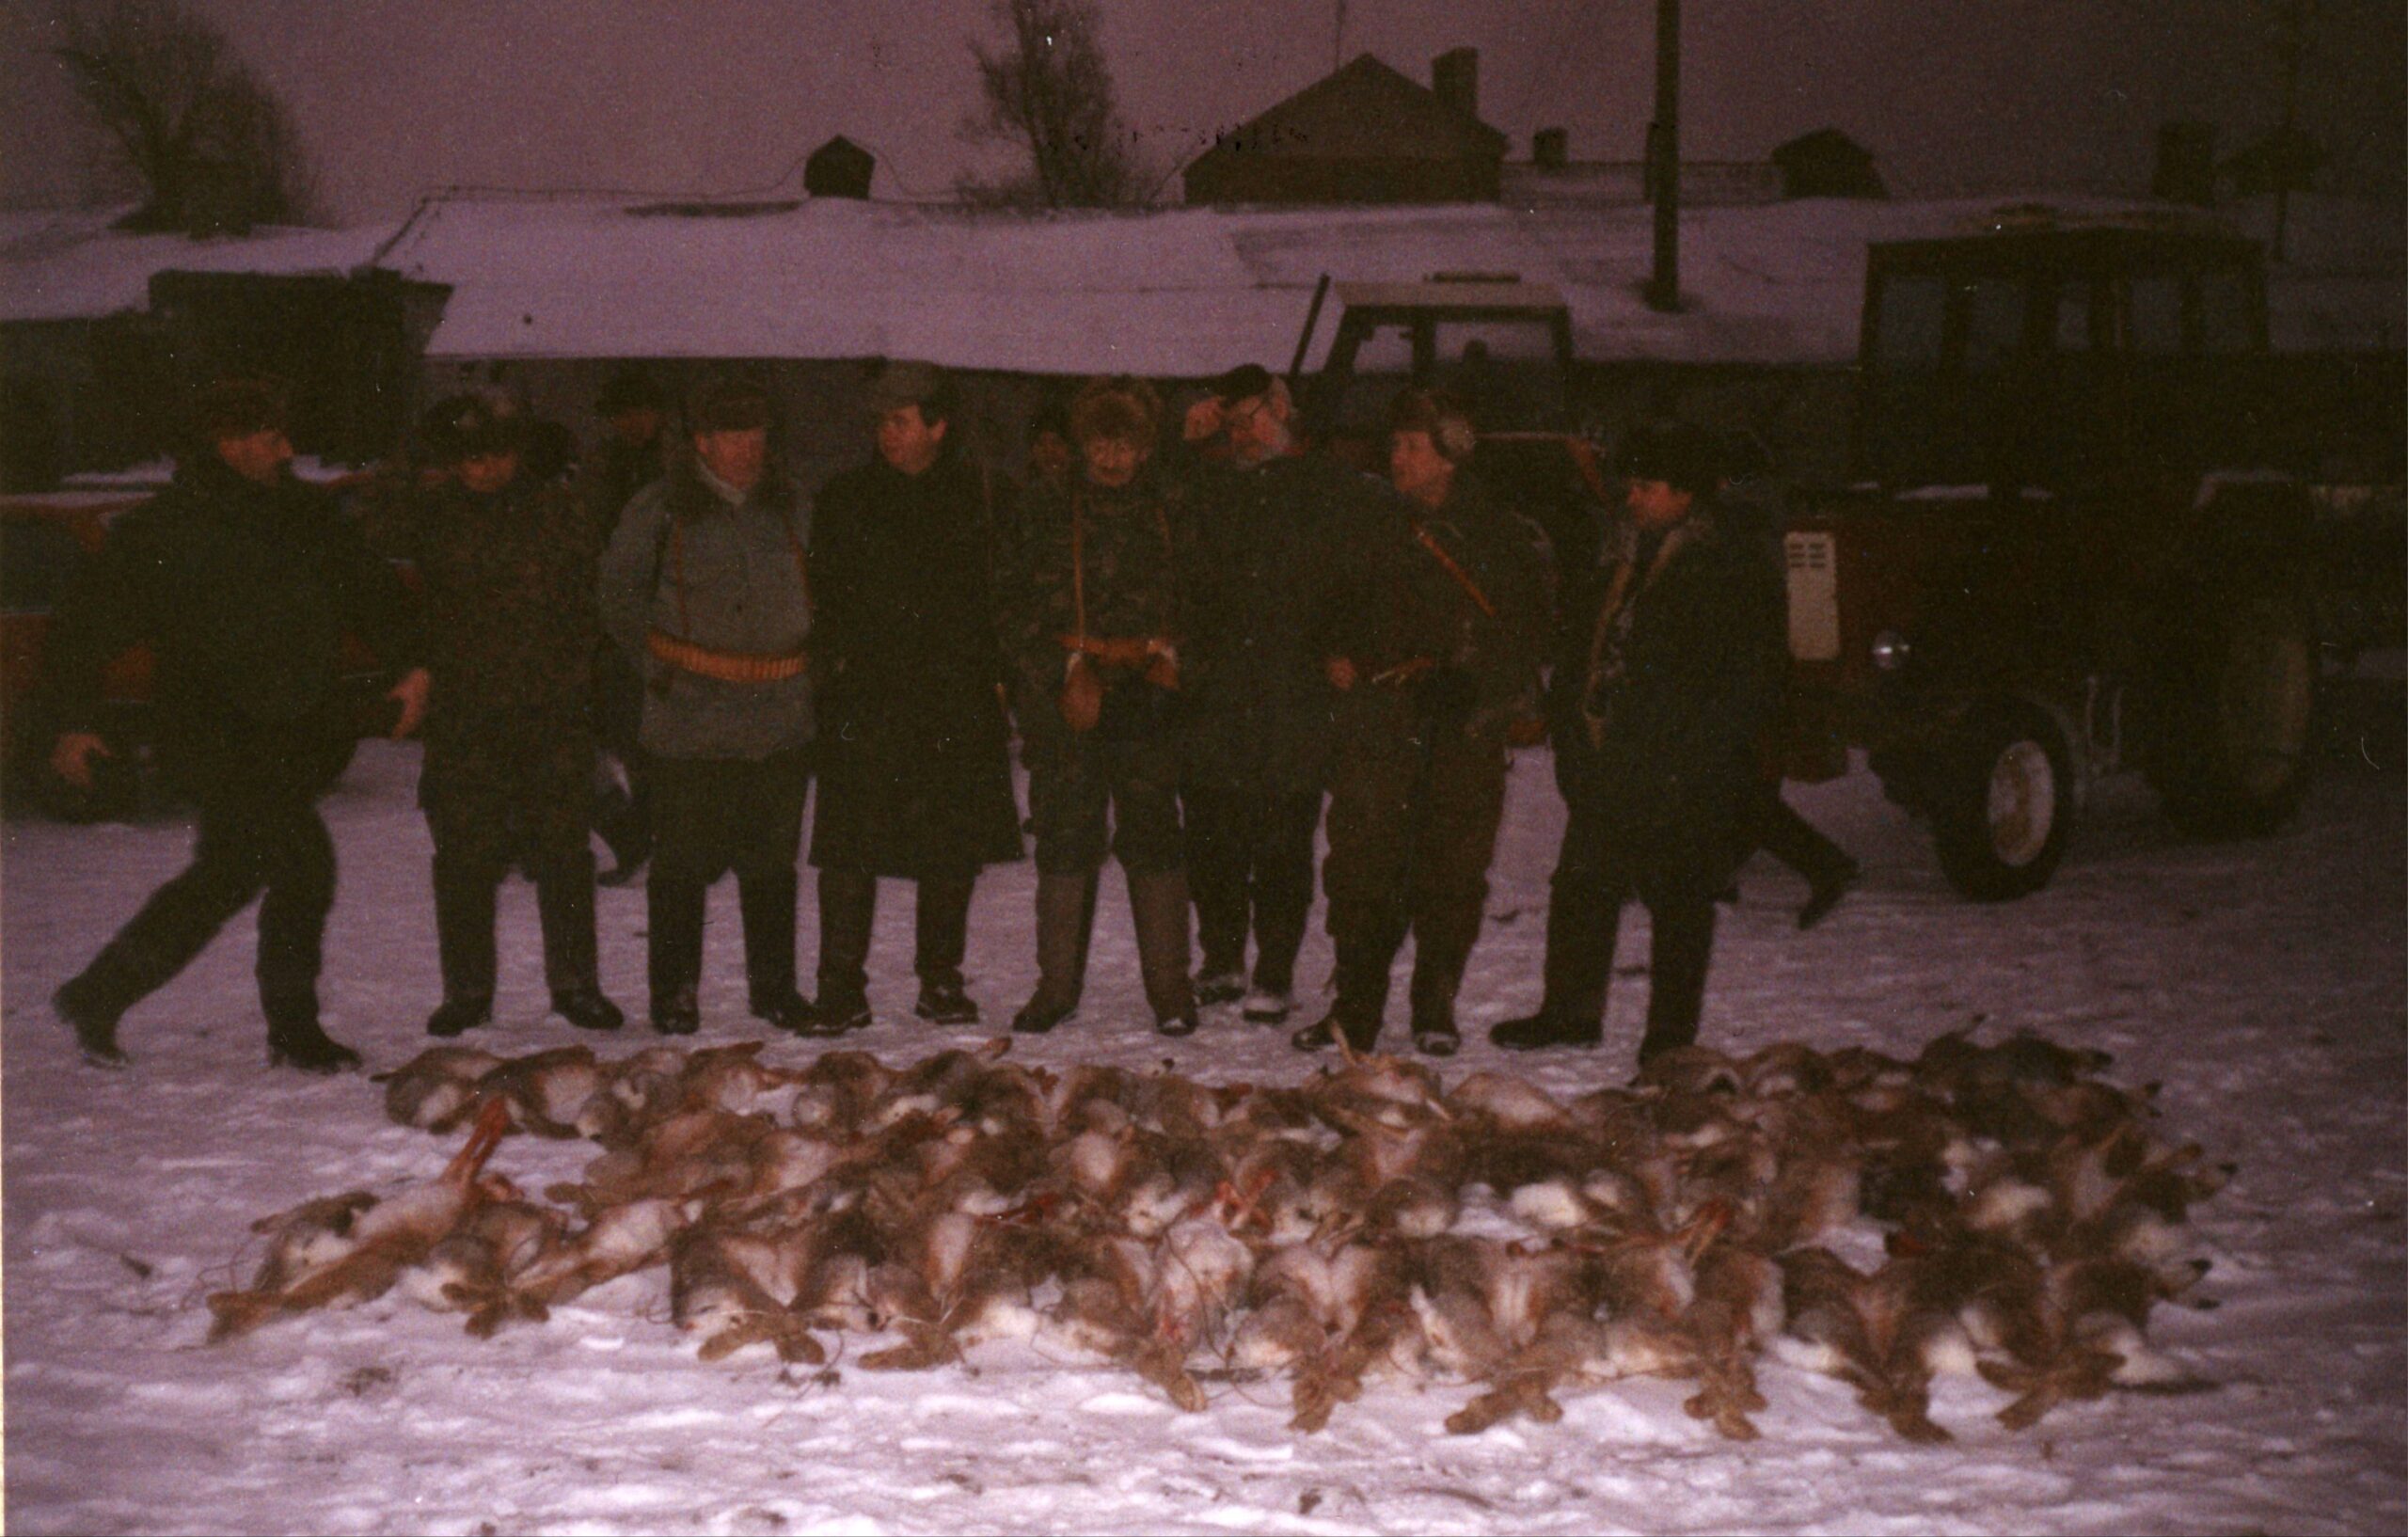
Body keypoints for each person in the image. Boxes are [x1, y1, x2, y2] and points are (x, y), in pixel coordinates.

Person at [44, 378, 428, 1070]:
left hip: (294, 731)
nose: (287, 451)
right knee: (304, 868)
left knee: (227, 874)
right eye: (271, 438)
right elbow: (81, 631)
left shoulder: (303, 517)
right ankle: (294, 1031)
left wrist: (414, 663)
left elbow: (371, 591)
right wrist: (73, 721)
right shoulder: (164, 531)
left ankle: (98, 994)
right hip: (212, 736)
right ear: (228, 444)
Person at [1491, 420, 1787, 1067]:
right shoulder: (1619, 556)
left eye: (1647, 487)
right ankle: (1570, 1012)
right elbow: (1584, 647)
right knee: (1581, 887)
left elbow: (1747, 681)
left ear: (1687, 494)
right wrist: (1572, 731)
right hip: (1608, 759)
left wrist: (1695, 761)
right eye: (1631, 484)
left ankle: (1669, 1036)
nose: (1631, 497)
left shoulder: (1727, 566)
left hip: (1678, 769)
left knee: (1679, 902)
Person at [1297, 388, 1549, 1056]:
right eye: (1396, 444)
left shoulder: (1499, 535)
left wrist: (1471, 679)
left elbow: (1527, 630)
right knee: (1361, 864)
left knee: (1452, 868)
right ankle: (1355, 1009)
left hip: (1463, 727)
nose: (1398, 457)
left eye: (1414, 446)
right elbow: (1327, 599)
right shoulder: (1369, 525)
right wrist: (1334, 651)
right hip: (1380, 721)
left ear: (1450, 457)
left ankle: (1435, 1005)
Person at [802, 362, 1022, 1031]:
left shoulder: (982, 497)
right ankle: (839, 986)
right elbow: (823, 593)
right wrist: (833, 674)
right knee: (849, 845)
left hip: (953, 696)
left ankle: (940, 980)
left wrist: (996, 676)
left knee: (950, 846)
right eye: (881, 422)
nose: (887, 434)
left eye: (900, 421)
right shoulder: (845, 497)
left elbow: (1003, 596)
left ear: (938, 426)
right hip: (866, 695)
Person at [597, 375, 816, 1037]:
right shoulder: (660, 509)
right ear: (701, 442)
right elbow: (618, 596)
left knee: (772, 864)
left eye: (756, 434)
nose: (748, 448)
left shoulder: (793, 506)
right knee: (681, 865)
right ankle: (675, 993)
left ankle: (774, 990)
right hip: (689, 722)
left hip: (778, 719)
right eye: (732, 435)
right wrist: (663, 669)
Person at [408, 391, 624, 1038]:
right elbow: (415, 610)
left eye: (497, 455)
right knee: (463, 854)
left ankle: (576, 985)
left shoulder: (558, 511)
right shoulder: (433, 516)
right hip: (465, 714)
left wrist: (575, 676)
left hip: (549, 710)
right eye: (471, 459)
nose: (485, 469)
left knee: (563, 851)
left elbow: (590, 602)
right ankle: (467, 992)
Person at [993, 375, 1199, 1038]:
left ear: (1147, 448)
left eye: (1126, 444)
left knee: (1154, 833)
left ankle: (1171, 989)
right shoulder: (1044, 506)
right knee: (1064, 834)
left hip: (1148, 690)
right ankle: (1055, 987)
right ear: (1082, 444)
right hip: (1068, 699)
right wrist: (1063, 672)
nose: (1112, 458)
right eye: (1100, 444)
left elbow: (1206, 594)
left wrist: (1175, 659)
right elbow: (1009, 603)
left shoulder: (1174, 506)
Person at [1172, 363, 1359, 1025]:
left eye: (1250, 417)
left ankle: (1275, 969)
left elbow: (1350, 580)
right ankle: (1221, 958)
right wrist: (1187, 445)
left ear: (1282, 408)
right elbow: (1164, 524)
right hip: (1217, 689)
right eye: (1230, 422)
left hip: (1292, 687)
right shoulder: (1210, 483)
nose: (1242, 433)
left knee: (1283, 837)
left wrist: (1339, 648)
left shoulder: (1327, 485)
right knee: (1212, 833)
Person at [579, 366, 674, 887]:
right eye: (623, 415)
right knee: (625, 729)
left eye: (639, 413)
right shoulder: (604, 465)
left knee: (653, 735)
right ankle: (641, 833)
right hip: (615, 617)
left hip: (667, 615)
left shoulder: (677, 465)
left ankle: (664, 835)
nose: (632, 423)